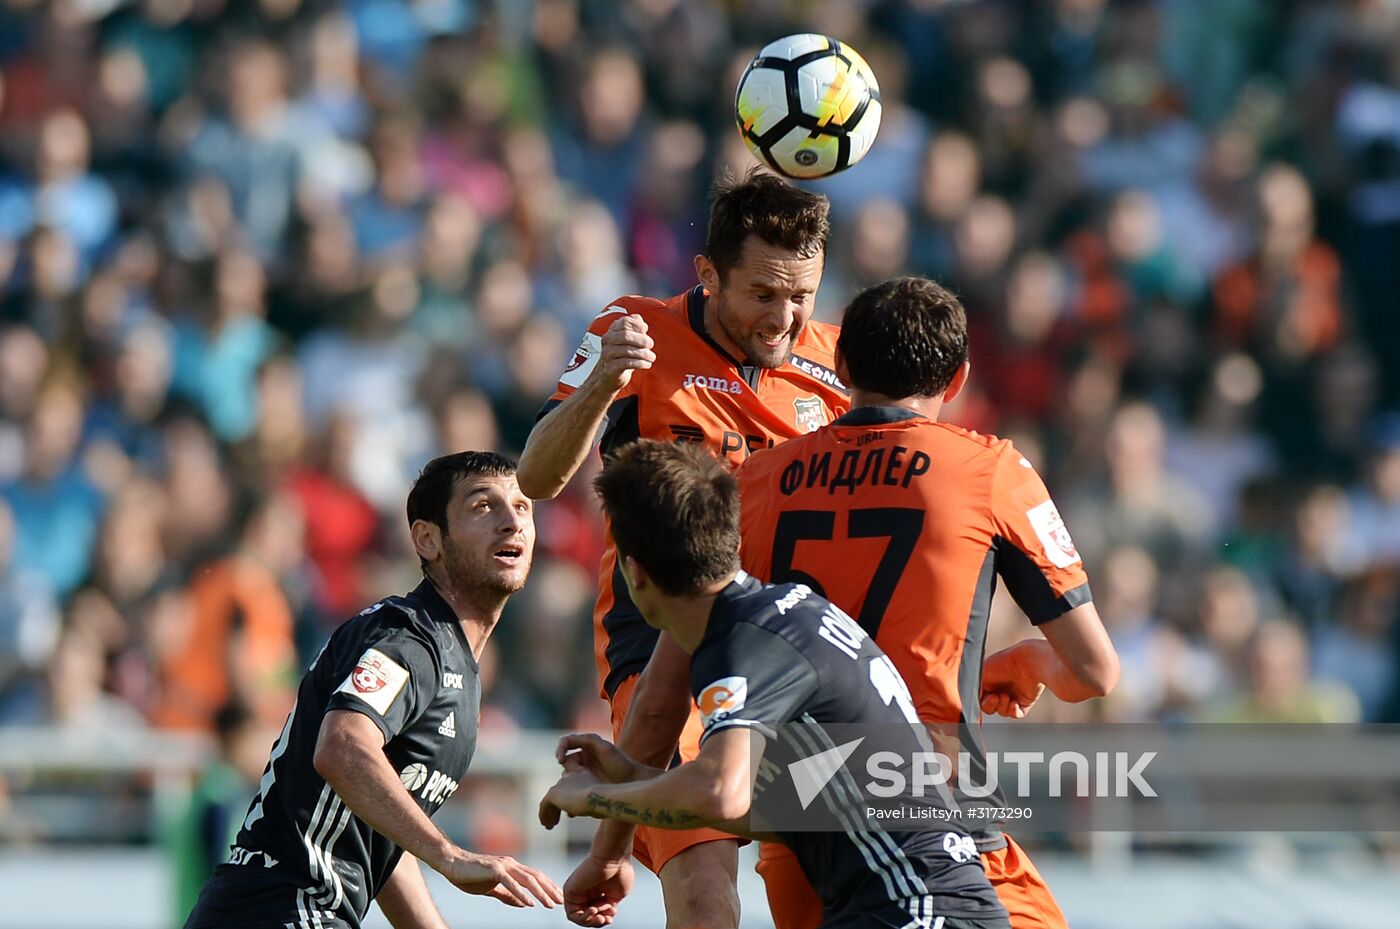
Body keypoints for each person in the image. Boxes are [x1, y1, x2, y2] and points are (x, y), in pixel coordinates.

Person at [518, 168, 850, 928]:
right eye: (763, 293)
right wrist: (605, 383)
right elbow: (536, 476)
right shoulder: (630, 328)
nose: (785, 317)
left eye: (801, 295)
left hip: (806, 656)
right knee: (707, 896)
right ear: (707, 273)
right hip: (667, 635)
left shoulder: (836, 365)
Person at [737, 277, 1120, 929]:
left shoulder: (759, 477)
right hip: (931, 814)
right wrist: (1028, 660)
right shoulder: (989, 470)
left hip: (800, 825)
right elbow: (1093, 673)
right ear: (959, 378)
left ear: (841, 365)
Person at [539, 439, 1012, 929]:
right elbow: (789, 809)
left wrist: (592, 800)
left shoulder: (739, 642)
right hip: (940, 906)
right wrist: (634, 777)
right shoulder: (787, 611)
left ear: (632, 572)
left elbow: (722, 795)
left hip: (915, 912)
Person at [183, 451, 562, 929]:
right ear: (428, 540)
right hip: (280, 908)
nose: (512, 522)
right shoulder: (408, 639)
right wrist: (448, 855)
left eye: (522, 507)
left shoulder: (455, 663)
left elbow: (380, 831)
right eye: (483, 506)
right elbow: (342, 745)